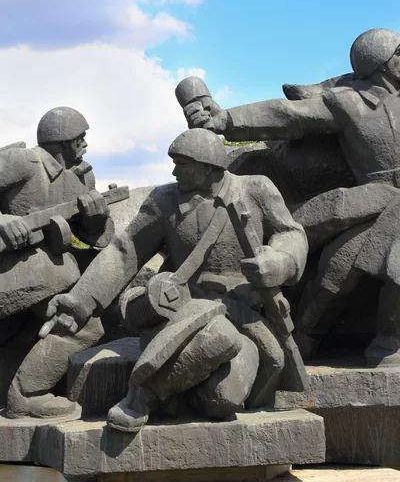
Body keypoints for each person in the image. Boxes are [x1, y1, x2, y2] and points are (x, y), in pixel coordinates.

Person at [42, 128, 308, 431]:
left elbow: (290, 233)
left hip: (245, 316)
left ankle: (181, 391)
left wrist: (279, 261)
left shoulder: (255, 189)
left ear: (208, 165)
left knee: (224, 399)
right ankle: (143, 396)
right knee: (219, 336)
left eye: (181, 163)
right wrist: (79, 301)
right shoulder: (164, 201)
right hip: (185, 311)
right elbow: (124, 251)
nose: (173, 171)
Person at [182, 28, 400, 365]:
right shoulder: (349, 102)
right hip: (376, 198)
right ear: (381, 65)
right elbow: (287, 116)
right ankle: (305, 338)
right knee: (340, 266)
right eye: (398, 54)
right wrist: (225, 119)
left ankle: (388, 342)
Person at [0, 106, 113, 419]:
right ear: (64, 142)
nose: (85, 144)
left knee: (81, 324)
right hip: (12, 272)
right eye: (81, 138)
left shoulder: (76, 181)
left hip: (45, 275)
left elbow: (100, 239)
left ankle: (23, 395)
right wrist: (3, 220)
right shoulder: (23, 161)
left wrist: (96, 219)